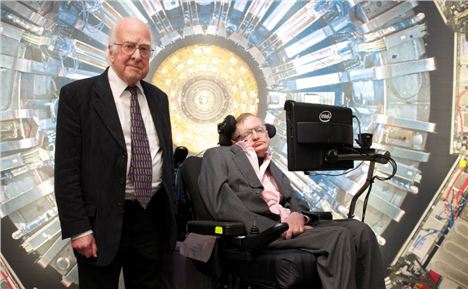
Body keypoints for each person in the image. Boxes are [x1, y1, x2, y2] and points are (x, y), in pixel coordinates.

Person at [198, 113, 386, 289]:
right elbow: (220, 203)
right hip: (262, 231)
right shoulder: (218, 155)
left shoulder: (272, 167)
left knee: (360, 231)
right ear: (234, 141)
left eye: (260, 130)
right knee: (338, 236)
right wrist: (277, 228)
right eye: (247, 133)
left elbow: (296, 200)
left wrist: (300, 217)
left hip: (287, 223)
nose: (256, 136)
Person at [54, 18, 176, 289]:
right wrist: (79, 228)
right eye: (129, 46)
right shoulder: (78, 96)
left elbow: (163, 157)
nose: (137, 55)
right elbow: (66, 170)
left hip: (151, 219)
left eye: (144, 49)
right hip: (101, 225)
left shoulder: (159, 98)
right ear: (110, 51)